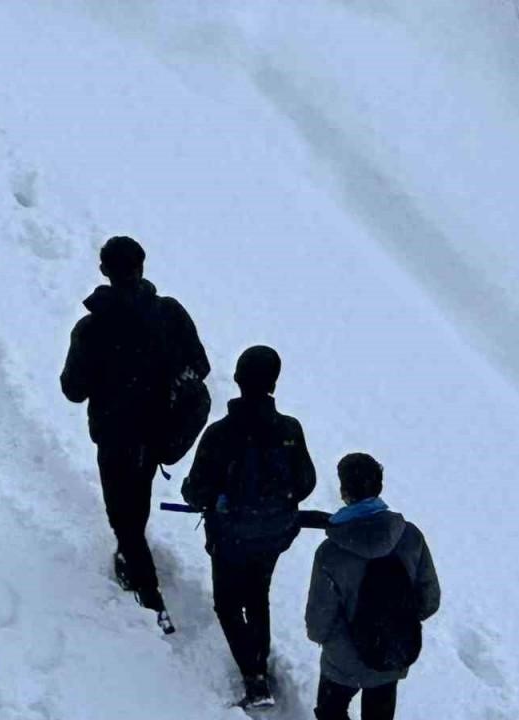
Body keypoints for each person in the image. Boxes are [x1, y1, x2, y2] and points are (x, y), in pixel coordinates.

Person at [61, 236, 209, 634]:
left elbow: (73, 389)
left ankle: (149, 593)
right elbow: (201, 366)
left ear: (104, 271)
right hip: (159, 433)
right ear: (142, 267)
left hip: (116, 435)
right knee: (136, 500)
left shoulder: (91, 329)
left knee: (121, 515)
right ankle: (133, 556)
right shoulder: (170, 314)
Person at [182, 345, 316, 709]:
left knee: (227, 604)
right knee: (258, 595)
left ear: (238, 379)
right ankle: (259, 660)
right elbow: (305, 483)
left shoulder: (220, 433)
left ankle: (254, 677)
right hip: (274, 534)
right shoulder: (290, 429)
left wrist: (214, 499)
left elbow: (195, 490)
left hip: (230, 537)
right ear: (273, 383)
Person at [305, 453, 441, 720]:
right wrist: (396, 620)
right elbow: (429, 599)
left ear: (344, 492)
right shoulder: (410, 536)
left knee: (330, 712)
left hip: (342, 658)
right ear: (379, 486)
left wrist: (329, 640)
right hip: (391, 650)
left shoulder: (331, 552)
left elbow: (319, 617)